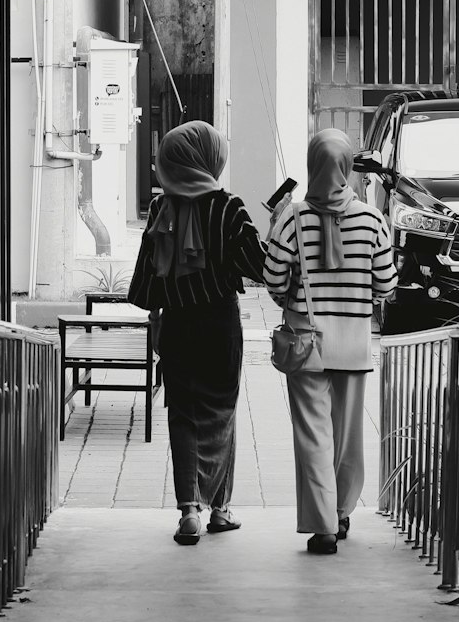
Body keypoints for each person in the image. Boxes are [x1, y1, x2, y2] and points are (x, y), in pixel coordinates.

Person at [128, 120, 265, 546]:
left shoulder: (159, 209)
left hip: (178, 327)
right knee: (221, 412)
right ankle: (220, 509)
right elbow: (258, 266)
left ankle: (189, 512)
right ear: (209, 159)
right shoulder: (229, 208)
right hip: (220, 326)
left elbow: (146, 286)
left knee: (183, 415)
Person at [262, 128, 397, 555]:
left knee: (312, 435)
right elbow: (388, 285)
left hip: (306, 342)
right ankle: (340, 512)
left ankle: (322, 528)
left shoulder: (293, 217)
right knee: (347, 436)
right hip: (352, 343)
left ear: (312, 165)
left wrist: (294, 290)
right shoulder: (373, 220)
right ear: (347, 167)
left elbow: (271, 279)